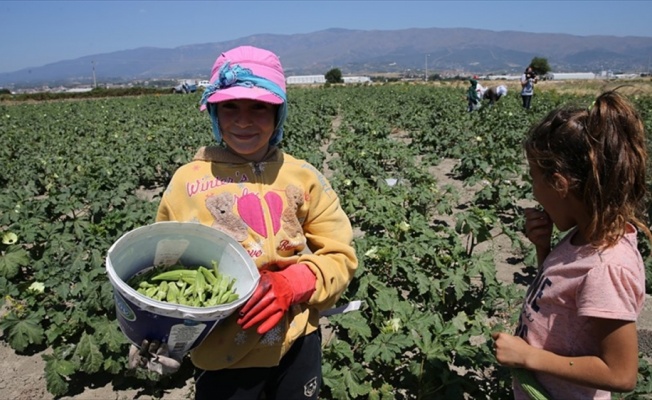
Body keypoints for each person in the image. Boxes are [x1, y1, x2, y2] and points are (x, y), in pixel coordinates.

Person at [128, 45, 358, 399]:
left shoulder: (304, 176)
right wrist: (154, 332)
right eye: (230, 107)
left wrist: (295, 282)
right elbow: (159, 269)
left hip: (296, 339)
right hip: (221, 353)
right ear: (214, 113)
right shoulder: (186, 183)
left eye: (259, 108)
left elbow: (341, 255)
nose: (243, 120)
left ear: (278, 113)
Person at [492, 89, 652, 399]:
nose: (534, 192)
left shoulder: (606, 269)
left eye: (534, 178)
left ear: (559, 184)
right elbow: (564, 300)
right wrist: (544, 250)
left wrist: (527, 357)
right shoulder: (583, 237)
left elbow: (621, 374)